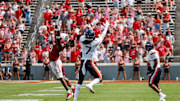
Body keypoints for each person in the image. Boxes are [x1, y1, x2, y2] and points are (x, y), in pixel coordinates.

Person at [73, 21, 109, 101]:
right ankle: (90, 84)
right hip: (89, 61)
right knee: (99, 77)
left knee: (80, 81)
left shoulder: (82, 39)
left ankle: (75, 99)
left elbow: (84, 31)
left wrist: (91, 24)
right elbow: (102, 36)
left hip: (83, 61)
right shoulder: (94, 43)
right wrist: (106, 27)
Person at [49, 33, 75, 100]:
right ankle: (72, 87)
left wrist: (57, 36)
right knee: (60, 77)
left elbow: (58, 46)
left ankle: (69, 92)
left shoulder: (61, 44)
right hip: (52, 61)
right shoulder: (58, 41)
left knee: (60, 77)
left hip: (55, 61)